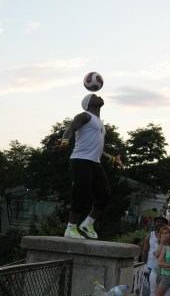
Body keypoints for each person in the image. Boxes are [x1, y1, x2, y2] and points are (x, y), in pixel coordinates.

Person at [56, 93, 122, 240]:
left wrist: (112, 159)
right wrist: (64, 142)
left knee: (105, 194)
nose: (99, 96)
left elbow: (98, 148)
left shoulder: (99, 122)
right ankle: (70, 228)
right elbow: (70, 128)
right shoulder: (84, 115)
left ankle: (87, 224)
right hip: (80, 160)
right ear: (89, 103)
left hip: (94, 162)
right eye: (94, 96)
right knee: (82, 193)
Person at [149, 225, 170, 296]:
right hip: (155, 272)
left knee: (167, 294)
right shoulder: (157, 244)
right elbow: (157, 255)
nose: (164, 235)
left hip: (167, 274)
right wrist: (162, 243)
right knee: (153, 293)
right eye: (162, 233)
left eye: (166, 233)